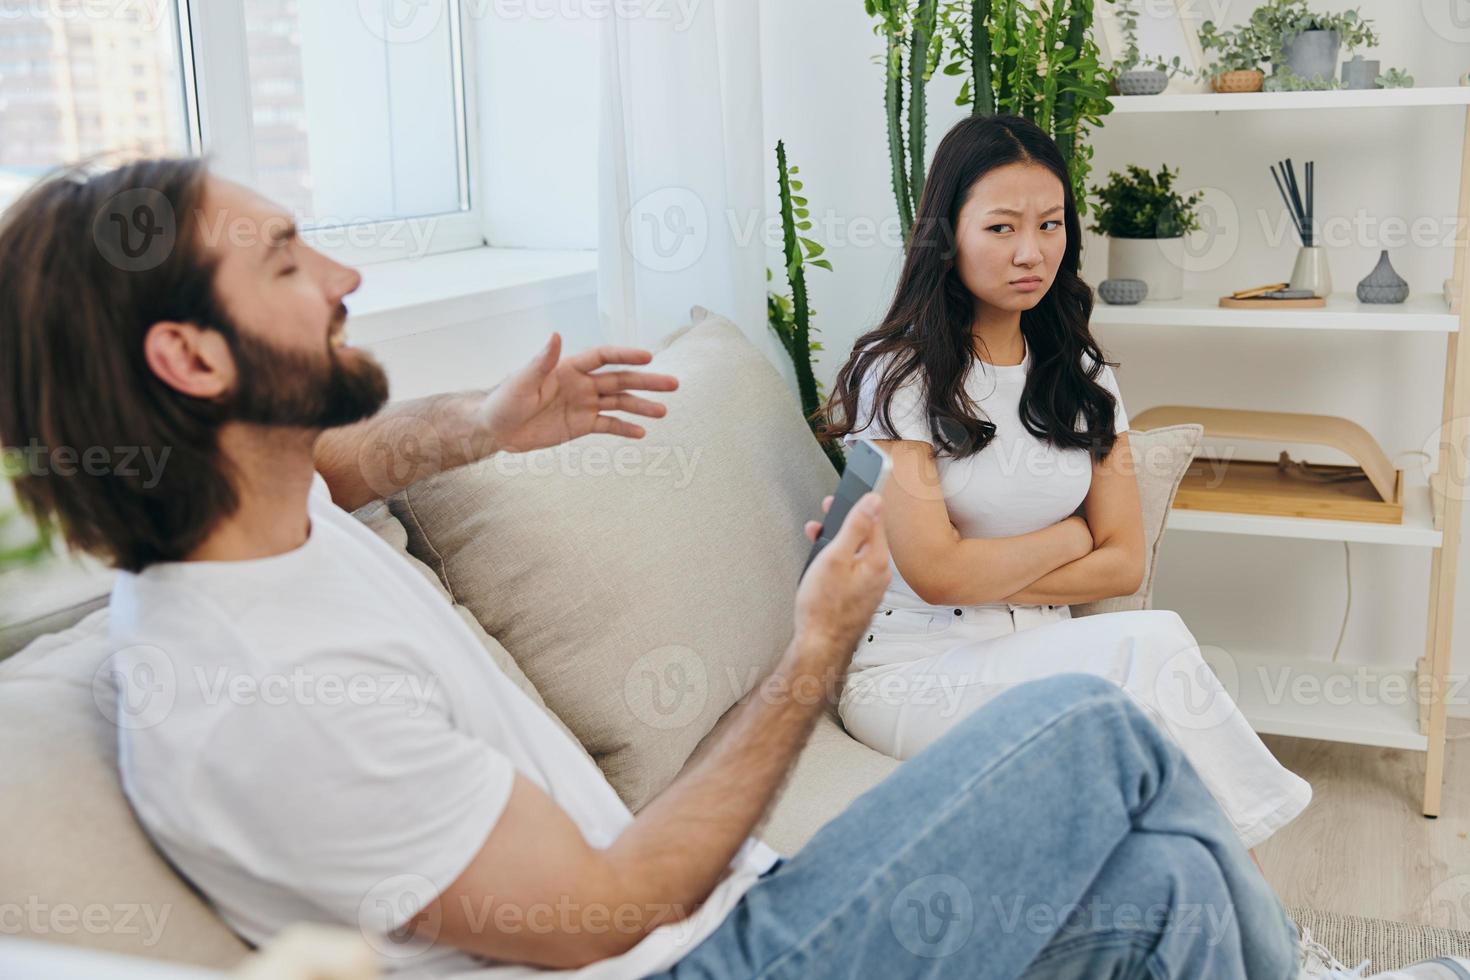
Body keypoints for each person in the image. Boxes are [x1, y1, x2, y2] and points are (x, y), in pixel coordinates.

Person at [0, 158, 1456, 980]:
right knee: (1090, 728)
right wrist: (818, 641)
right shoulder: (260, 695)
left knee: (1173, 896)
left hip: (719, 913)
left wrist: (489, 426)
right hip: (700, 967)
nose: (343, 279)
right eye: (287, 261)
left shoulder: (246, 511)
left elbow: (347, 466)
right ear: (190, 357)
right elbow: (605, 907)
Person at [821, 114, 1310, 855]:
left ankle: (1219, 929)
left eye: (1050, 225)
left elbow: (1124, 563)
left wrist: (992, 569)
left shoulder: (1081, 375)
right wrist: (1069, 535)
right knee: (1153, 643)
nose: (1031, 252)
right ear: (946, 234)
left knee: (1146, 738)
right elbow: (936, 576)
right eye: (1001, 227)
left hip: (1050, 650)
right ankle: (1264, 925)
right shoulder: (899, 376)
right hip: (916, 676)